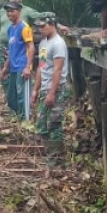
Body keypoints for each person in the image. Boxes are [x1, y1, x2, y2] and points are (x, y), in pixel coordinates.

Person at [32, 15, 69, 165]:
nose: (40, 29)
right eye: (38, 27)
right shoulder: (43, 43)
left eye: (43, 26)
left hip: (57, 88)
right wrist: (36, 90)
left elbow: (57, 70)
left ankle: (56, 161)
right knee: (42, 125)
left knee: (54, 124)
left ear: (52, 24)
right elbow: (41, 66)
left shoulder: (58, 44)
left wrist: (52, 93)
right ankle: (51, 156)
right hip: (45, 88)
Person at [0, 0, 44, 81]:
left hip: (20, 51)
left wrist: (58, 25)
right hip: (2, 48)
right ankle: (9, 94)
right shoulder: (3, 11)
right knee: (4, 75)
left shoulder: (27, 11)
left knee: (19, 77)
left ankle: (21, 94)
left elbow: (41, 19)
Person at [0, 2, 35, 120]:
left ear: (19, 11)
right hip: (13, 67)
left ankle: (25, 121)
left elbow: (31, 47)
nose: (10, 13)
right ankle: (17, 119)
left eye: (12, 11)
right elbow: (11, 50)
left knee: (22, 96)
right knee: (11, 96)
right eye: (8, 11)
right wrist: (5, 67)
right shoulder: (10, 29)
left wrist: (27, 67)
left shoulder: (24, 27)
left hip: (22, 66)